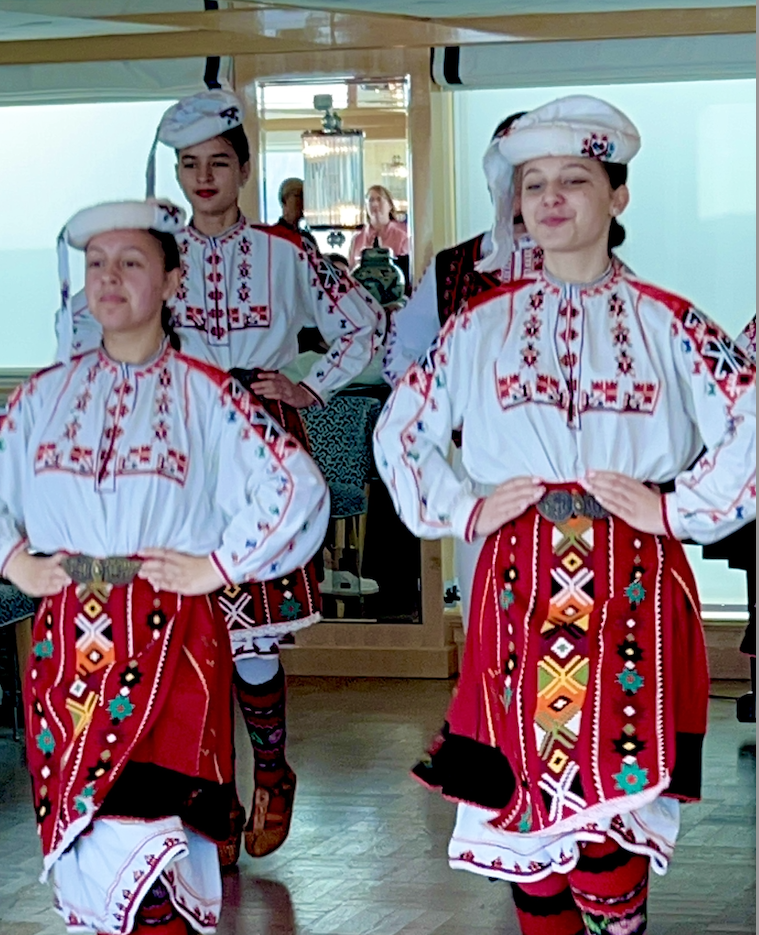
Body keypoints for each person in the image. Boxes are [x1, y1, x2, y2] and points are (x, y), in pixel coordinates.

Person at [374, 96, 756, 935]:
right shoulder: (477, 325)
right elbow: (403, 428)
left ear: (616, 196)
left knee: (606, 811)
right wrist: (459, 507)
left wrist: (683, 506)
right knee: (527, 835)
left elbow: (752, 417)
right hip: (514, 590)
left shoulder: (676, 323)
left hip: (633, 583)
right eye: (534, 187)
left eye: (574, 183)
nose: (550, 200)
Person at [0, 199, 329, 935]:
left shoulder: (208, 393)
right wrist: (16, 562)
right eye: (98, 265)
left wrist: (222, 563)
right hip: (69, 638)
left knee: (143, 819)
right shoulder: (45, 392)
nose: (110, 280)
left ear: (172, 282)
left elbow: (293, 488)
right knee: (82, 839)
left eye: (132, 264)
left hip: (170, 633)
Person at [67, 89, 384, 867]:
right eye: (188, 165)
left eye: (217, 163)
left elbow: (365, 321)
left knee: (249, 634)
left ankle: (273, 773)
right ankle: (214, 790)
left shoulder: (286, 250)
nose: (202, 178)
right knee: (182, 630)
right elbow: (86, 320)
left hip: (254, 445)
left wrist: (309, 384)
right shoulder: (154, 246)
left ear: (244, 168)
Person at [385, 111, 539, 633]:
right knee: (488, 621)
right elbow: (402, 356)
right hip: (483, 474)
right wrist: (447, 426)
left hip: (580, 480)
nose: (526, 193)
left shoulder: (599, 273)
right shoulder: (456, 267)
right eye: (515, 177)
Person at [348, 185, 410, 268]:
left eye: (379, 199)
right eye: (371, 200)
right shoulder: (357, 240)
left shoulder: (402, 237)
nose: (375, 204)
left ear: (390, 205)